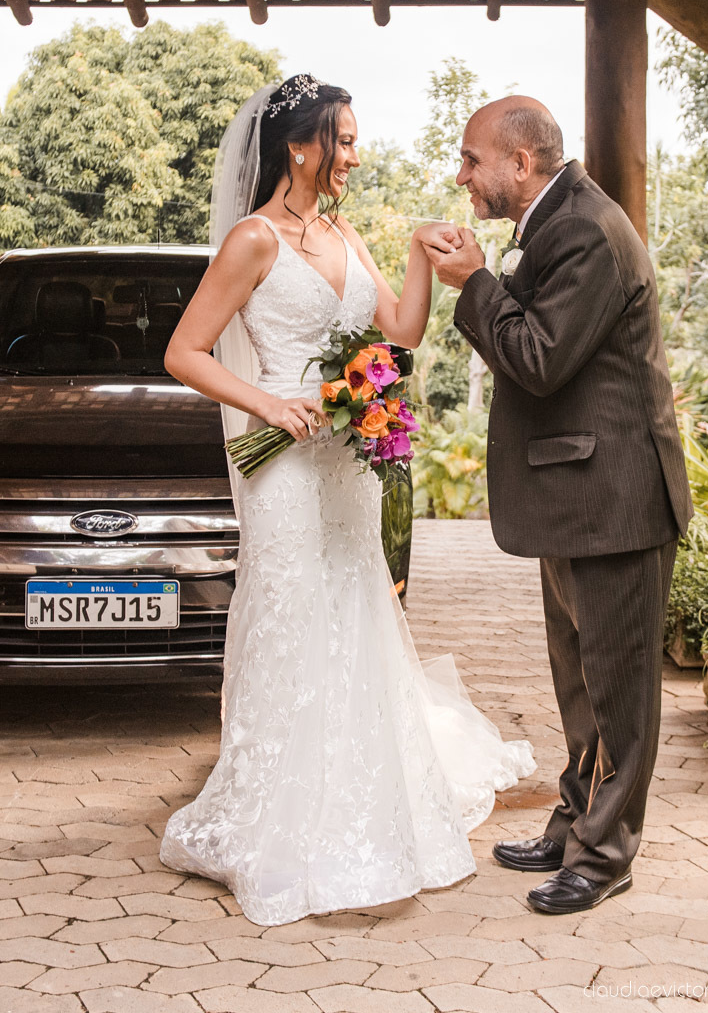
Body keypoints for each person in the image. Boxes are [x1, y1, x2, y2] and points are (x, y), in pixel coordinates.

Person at [158, 76, 536, 927]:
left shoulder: (343, 232)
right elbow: (185, 352)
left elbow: (399, 334)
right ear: (300, 147)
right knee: (294, 614)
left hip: (347, 463)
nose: (357, 156)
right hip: (286, 468)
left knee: (357, 608)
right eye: (347, 140)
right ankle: (278, 807)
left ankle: (363, 793)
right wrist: (268, 404)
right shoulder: (253, 240)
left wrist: (418, 255)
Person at [423, 95, 692, 916]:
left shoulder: (583, 229)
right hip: (577, 496)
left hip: (616, 501)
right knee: (581, 684)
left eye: (472, 160)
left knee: (619, 692)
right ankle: (576, 822)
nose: (463, 176)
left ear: (522, 162)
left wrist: (475, 281)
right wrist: (486, 277)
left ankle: (605, 855)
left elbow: (538, 358)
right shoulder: (554, 220)